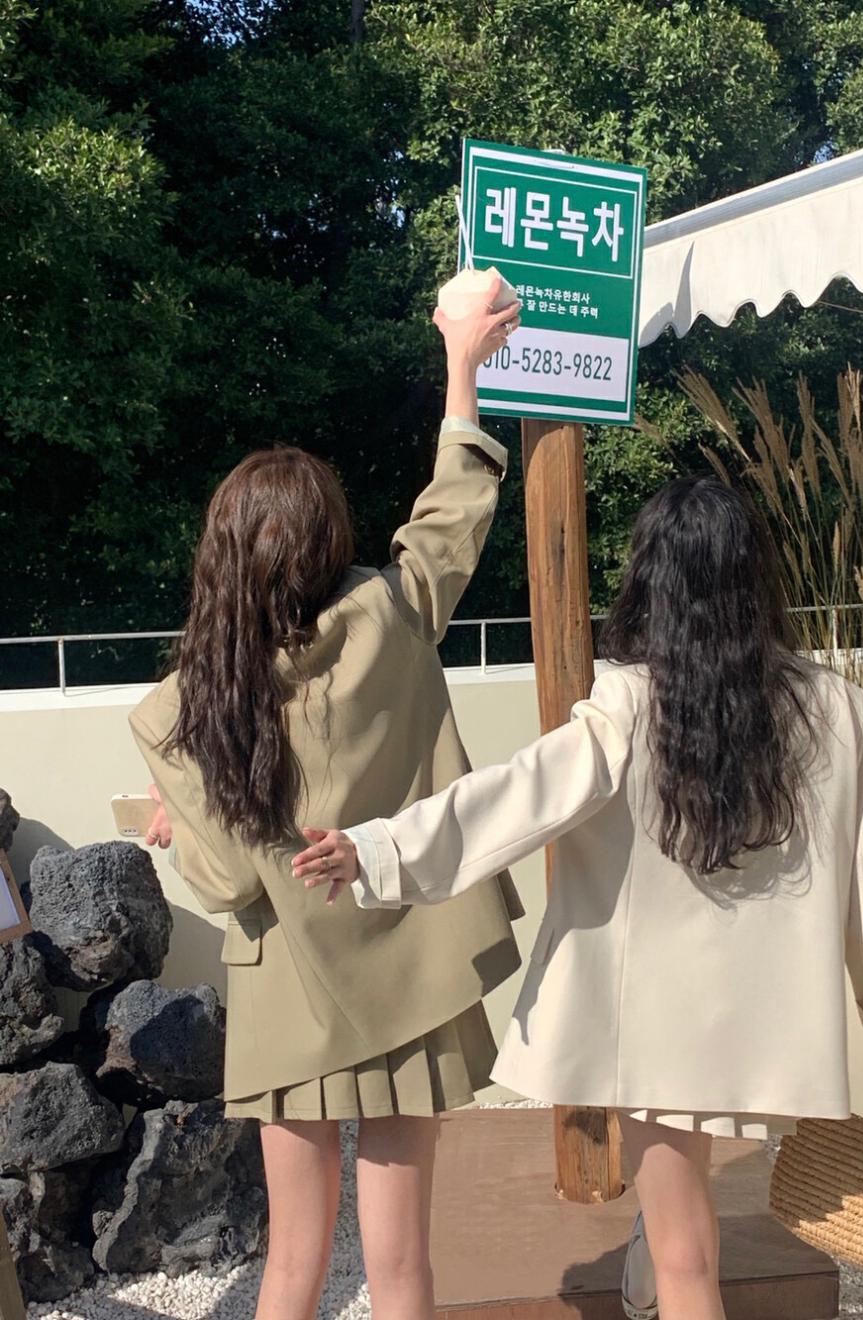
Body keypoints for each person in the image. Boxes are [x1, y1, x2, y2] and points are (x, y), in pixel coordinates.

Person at [292, 474, 863, 1320]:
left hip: (656, 1026)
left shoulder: (628, 705)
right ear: (754, 575)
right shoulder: (838, 709)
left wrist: (379, 849)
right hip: (762, 1021)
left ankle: (653, 1274)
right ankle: (645, 1274)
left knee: (687, 1258)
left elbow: (513, 798)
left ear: (653, 582)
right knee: (682, 1237)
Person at [131, 276, 524, 1320]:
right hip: (416, 969)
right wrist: (460, 360)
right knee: (402, 1268)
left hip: (288, 986)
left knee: (292, 1266)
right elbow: (453, 510)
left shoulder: (191, 704)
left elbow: (226, 885)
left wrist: (179, 820)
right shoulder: (390, 618)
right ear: (328, 540)